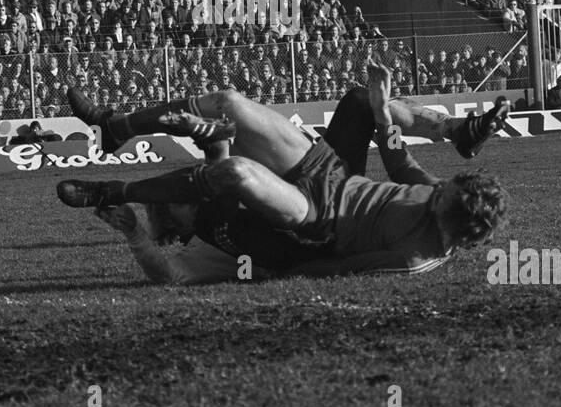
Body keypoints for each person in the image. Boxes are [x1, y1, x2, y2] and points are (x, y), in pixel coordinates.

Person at [57, 64, 509, 282]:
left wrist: (280, 265)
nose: (438, 188)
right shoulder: (437, 195)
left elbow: (340, 267)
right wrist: (382, 114)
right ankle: (116, 127)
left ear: (453, 220)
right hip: (328, 172)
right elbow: (401, 164)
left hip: (315, 216)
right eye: (445, 185)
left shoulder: (413, 257)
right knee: (229, 102)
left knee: (231, 170)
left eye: (444, 194)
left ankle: (115, 190)